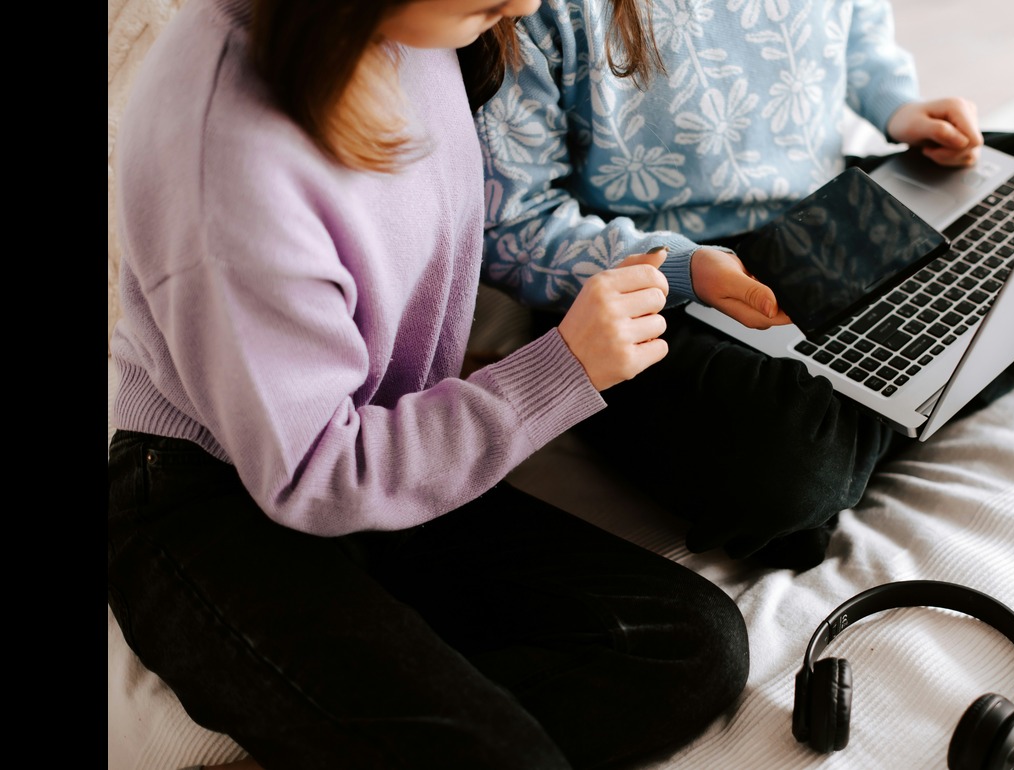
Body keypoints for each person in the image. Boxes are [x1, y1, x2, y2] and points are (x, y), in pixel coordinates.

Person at [106, 1, 750, 768]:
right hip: (209, 495)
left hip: (386, 445)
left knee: (689, 649)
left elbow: (497, 229)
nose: (529, 5)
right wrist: (561, 370)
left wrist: (669, 269)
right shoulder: (230, 149)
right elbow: (316, 473)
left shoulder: (418, 30)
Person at [473, 0, 1014, 571]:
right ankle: (924, 374)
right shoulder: (532, 7)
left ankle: (894, 394)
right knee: (788, 466)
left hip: (836, 207)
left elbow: (856, 32)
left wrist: (898, 106)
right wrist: (684, 268)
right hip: (662, 280)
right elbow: (514, 225)